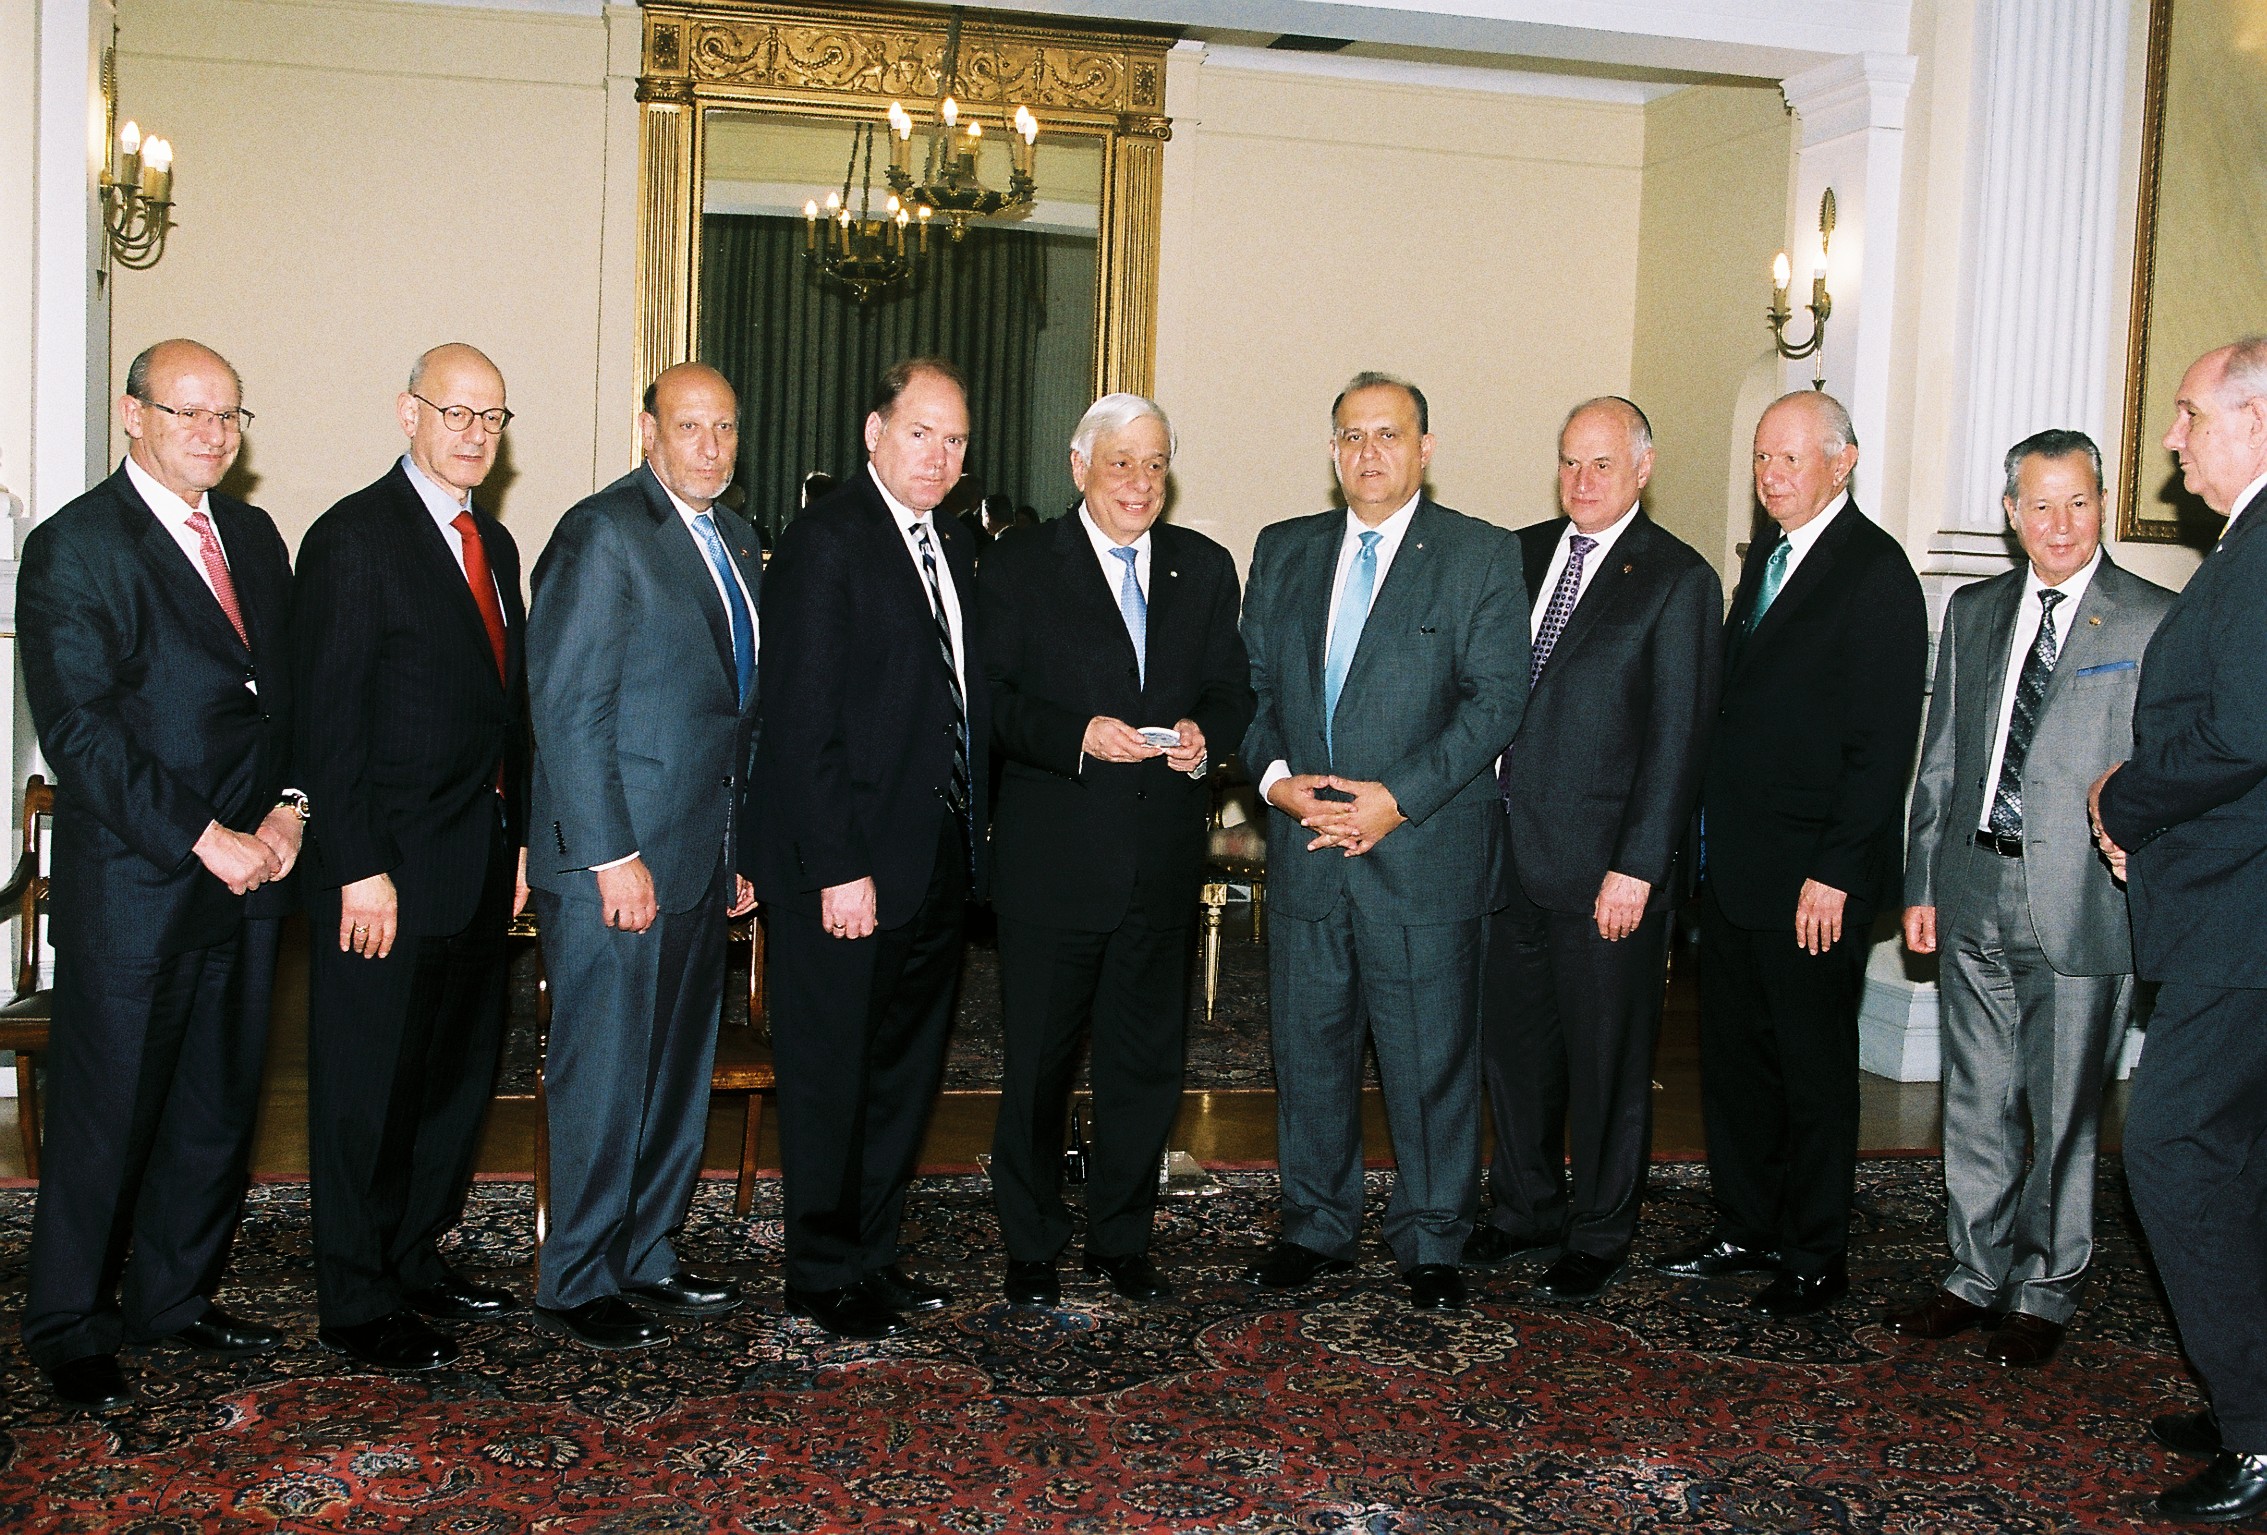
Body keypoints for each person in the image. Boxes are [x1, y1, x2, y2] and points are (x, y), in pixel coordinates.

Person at [17, 339, 299, 1410]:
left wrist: (291, 809)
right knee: (110, 1111)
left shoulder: (257, 535)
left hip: (256, 872)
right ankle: (69, 1322)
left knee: (218, 1100)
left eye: (228, 414)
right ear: (132, 415)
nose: (212, 433)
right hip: (139, 880)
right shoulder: (76, 547)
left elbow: (287, 698)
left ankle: (174, 1298)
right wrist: (203, 835)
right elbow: (82, 732)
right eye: (187, 412)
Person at [1237, 371, 1528, 1312]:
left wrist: (1394, 800)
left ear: (1425, 448)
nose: (1369, 453)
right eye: (1352, 436)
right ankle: (1313, 1223)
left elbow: (1497, 700)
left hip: (1422, 852)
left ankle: (1432, 1236)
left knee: (1430, 1058)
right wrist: (1278, 784)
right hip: (1307, 853)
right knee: (1308, 1051)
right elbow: (1247, 693)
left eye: (1388, 435)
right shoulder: (1283, 551)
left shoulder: (1478, 554)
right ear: (1331, 452)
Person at [1890, 429, 2171, 1367]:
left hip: (2082, 896)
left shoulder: (2147, 619)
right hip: (1970, 882)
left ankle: (2044, 1285)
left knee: (2061, 1104)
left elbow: (2162, 768)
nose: (2060, 523)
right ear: (2010, 514)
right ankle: (1974, 1272)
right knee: (1973, 1095)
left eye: (2079, 502)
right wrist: (1921, 879)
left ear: (2100, 504)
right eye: (2040, 504)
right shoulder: (1971, 611)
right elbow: (1940, 763)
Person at [977, 393, 1254, 1307]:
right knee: (1038, 1069)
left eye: (1155, 463)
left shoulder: (1203, 568)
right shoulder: (1019, 563)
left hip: (1162, 861)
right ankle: (1031, 1241)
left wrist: (1201, 733)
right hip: (1052, 863)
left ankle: (1121, 1236)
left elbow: (1231, 690)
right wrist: (1078, 734)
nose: (1140, 481)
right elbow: (994, 703)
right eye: (1122, 461)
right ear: (1078, 466)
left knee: (1146, 1063)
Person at [292, 343, 534, 1372]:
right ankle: (355, 1294)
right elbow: (325, 721)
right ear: (408, 413)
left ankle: (414, 1253)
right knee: (366, 1088)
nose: (474, 432)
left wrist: (518, 836)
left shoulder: (498, 544)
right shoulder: (354, 538)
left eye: (492, 416)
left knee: (449, 1080)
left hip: (477, 864)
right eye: (455, 411)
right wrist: (356, 863)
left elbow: (505, 714)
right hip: (383, 873)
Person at [1659, 389, 1926, 1317]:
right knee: (1736, 1061)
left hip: (1815, 878)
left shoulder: (1874, 571)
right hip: (1737, 869)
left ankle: (1814, 1252)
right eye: (1762, 461)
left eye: (1789, 459)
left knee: (1811, 1071)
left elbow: (1881, 744)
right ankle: (1744, 1224)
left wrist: (1839, 870)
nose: (1770, 477)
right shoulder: (1770, 555)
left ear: (1841, 462)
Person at [748, 356, 990, 1340]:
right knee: (831, 1071)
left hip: (931, 857)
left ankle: (873, 1253)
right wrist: (841, 865)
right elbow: (802, 723)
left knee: (902, 1069)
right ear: (872, 432)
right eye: (920, 432)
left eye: (955, 439)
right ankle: (819, 1268)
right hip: (844, 868)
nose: (937, 456)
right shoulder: (827, 540)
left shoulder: (953, 548)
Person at [524, 362, 761, 1349]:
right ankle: (577, 1276)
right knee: (605, 1071)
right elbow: (568, 709)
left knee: (673, 1069)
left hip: (698, 857)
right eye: (689, 425)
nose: (709, 445)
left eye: (725, 427)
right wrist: (611, 852)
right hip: (617, 863)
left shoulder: (738, 539)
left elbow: (734, 713)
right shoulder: (604, 531)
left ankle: (648, 1252)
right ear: (647, 429)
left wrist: (733, 844)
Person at [1474, 397, 1720, 1301]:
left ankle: (1601, 1225)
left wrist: (1640, 865)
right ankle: (1525, 1206)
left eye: (1602, 465)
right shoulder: (1517, 551)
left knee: (1608, 1057)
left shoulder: (1675, 579)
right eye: (1570, 462)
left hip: (1604, 870)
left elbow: (1676, 740)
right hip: (1503, 856)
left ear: (1643, 469)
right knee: (1514, 1050)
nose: (1582, 481)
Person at [2090, 336, 2267, 1524]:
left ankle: (2256, 1436)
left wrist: (2121, 797)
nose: (2170, 435)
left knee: (2169, 1149)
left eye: (2188, 412)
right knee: (2237, 1159)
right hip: (2224, 903)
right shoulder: (2242, 545)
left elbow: (2246, 732)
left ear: (2255, 419)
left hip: (2238, 916)